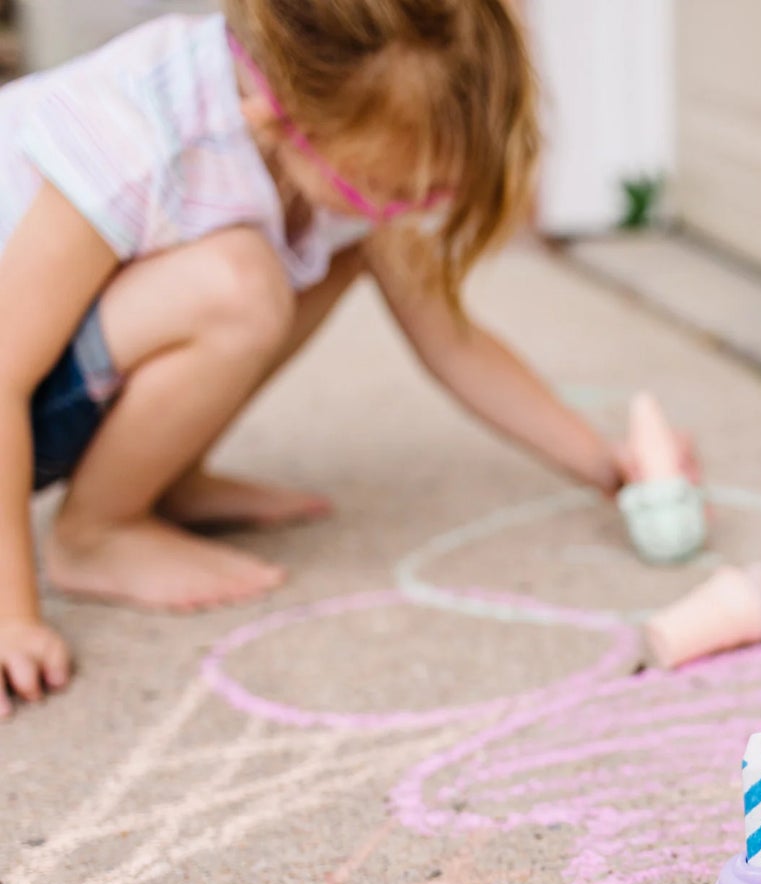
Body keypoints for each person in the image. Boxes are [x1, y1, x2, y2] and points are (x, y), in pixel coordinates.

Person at [0, 0, 653, 717]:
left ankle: (161, 479)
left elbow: (452, 341)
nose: (405, 208)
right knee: (240, 284)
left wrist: (607, 465)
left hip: (65, 378)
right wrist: (12, 615)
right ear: (276, 119)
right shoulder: (136, 132)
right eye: (385, 188)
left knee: (331, 254)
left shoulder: (332, 122)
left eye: (430, 191)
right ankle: (96, 533)